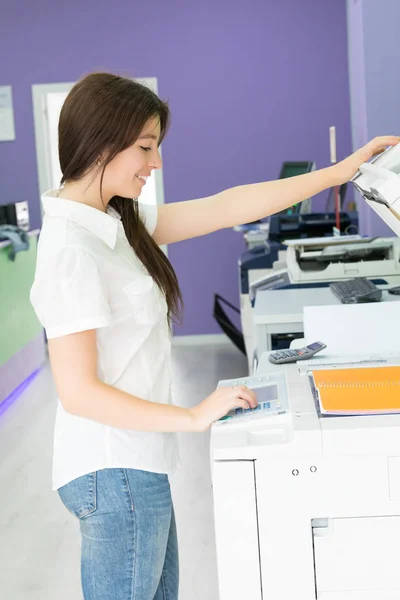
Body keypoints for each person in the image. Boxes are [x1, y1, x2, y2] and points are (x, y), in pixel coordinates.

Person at [29, 71, 399, 600]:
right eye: (145, 147)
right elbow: (78, 391)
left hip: (137, 467)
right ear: (100, 142)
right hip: (115, 474)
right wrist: (192, 416)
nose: (155, 163)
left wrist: (336, 174)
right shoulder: (71, 249)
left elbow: (227, 206)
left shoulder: (112, 226)